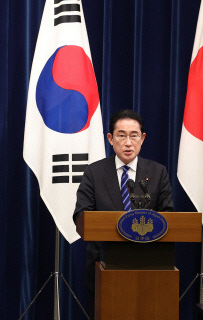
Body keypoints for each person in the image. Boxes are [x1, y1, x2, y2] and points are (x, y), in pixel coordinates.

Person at [72, 109, 173, 319]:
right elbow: (81, 216)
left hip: (149, 266)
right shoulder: (94, 173)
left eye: (134, 135)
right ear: (110, 138)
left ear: (143, 138)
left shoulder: (158, 172)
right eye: (121, 135)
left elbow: (168, 216)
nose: (128, 142)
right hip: (104, 264)